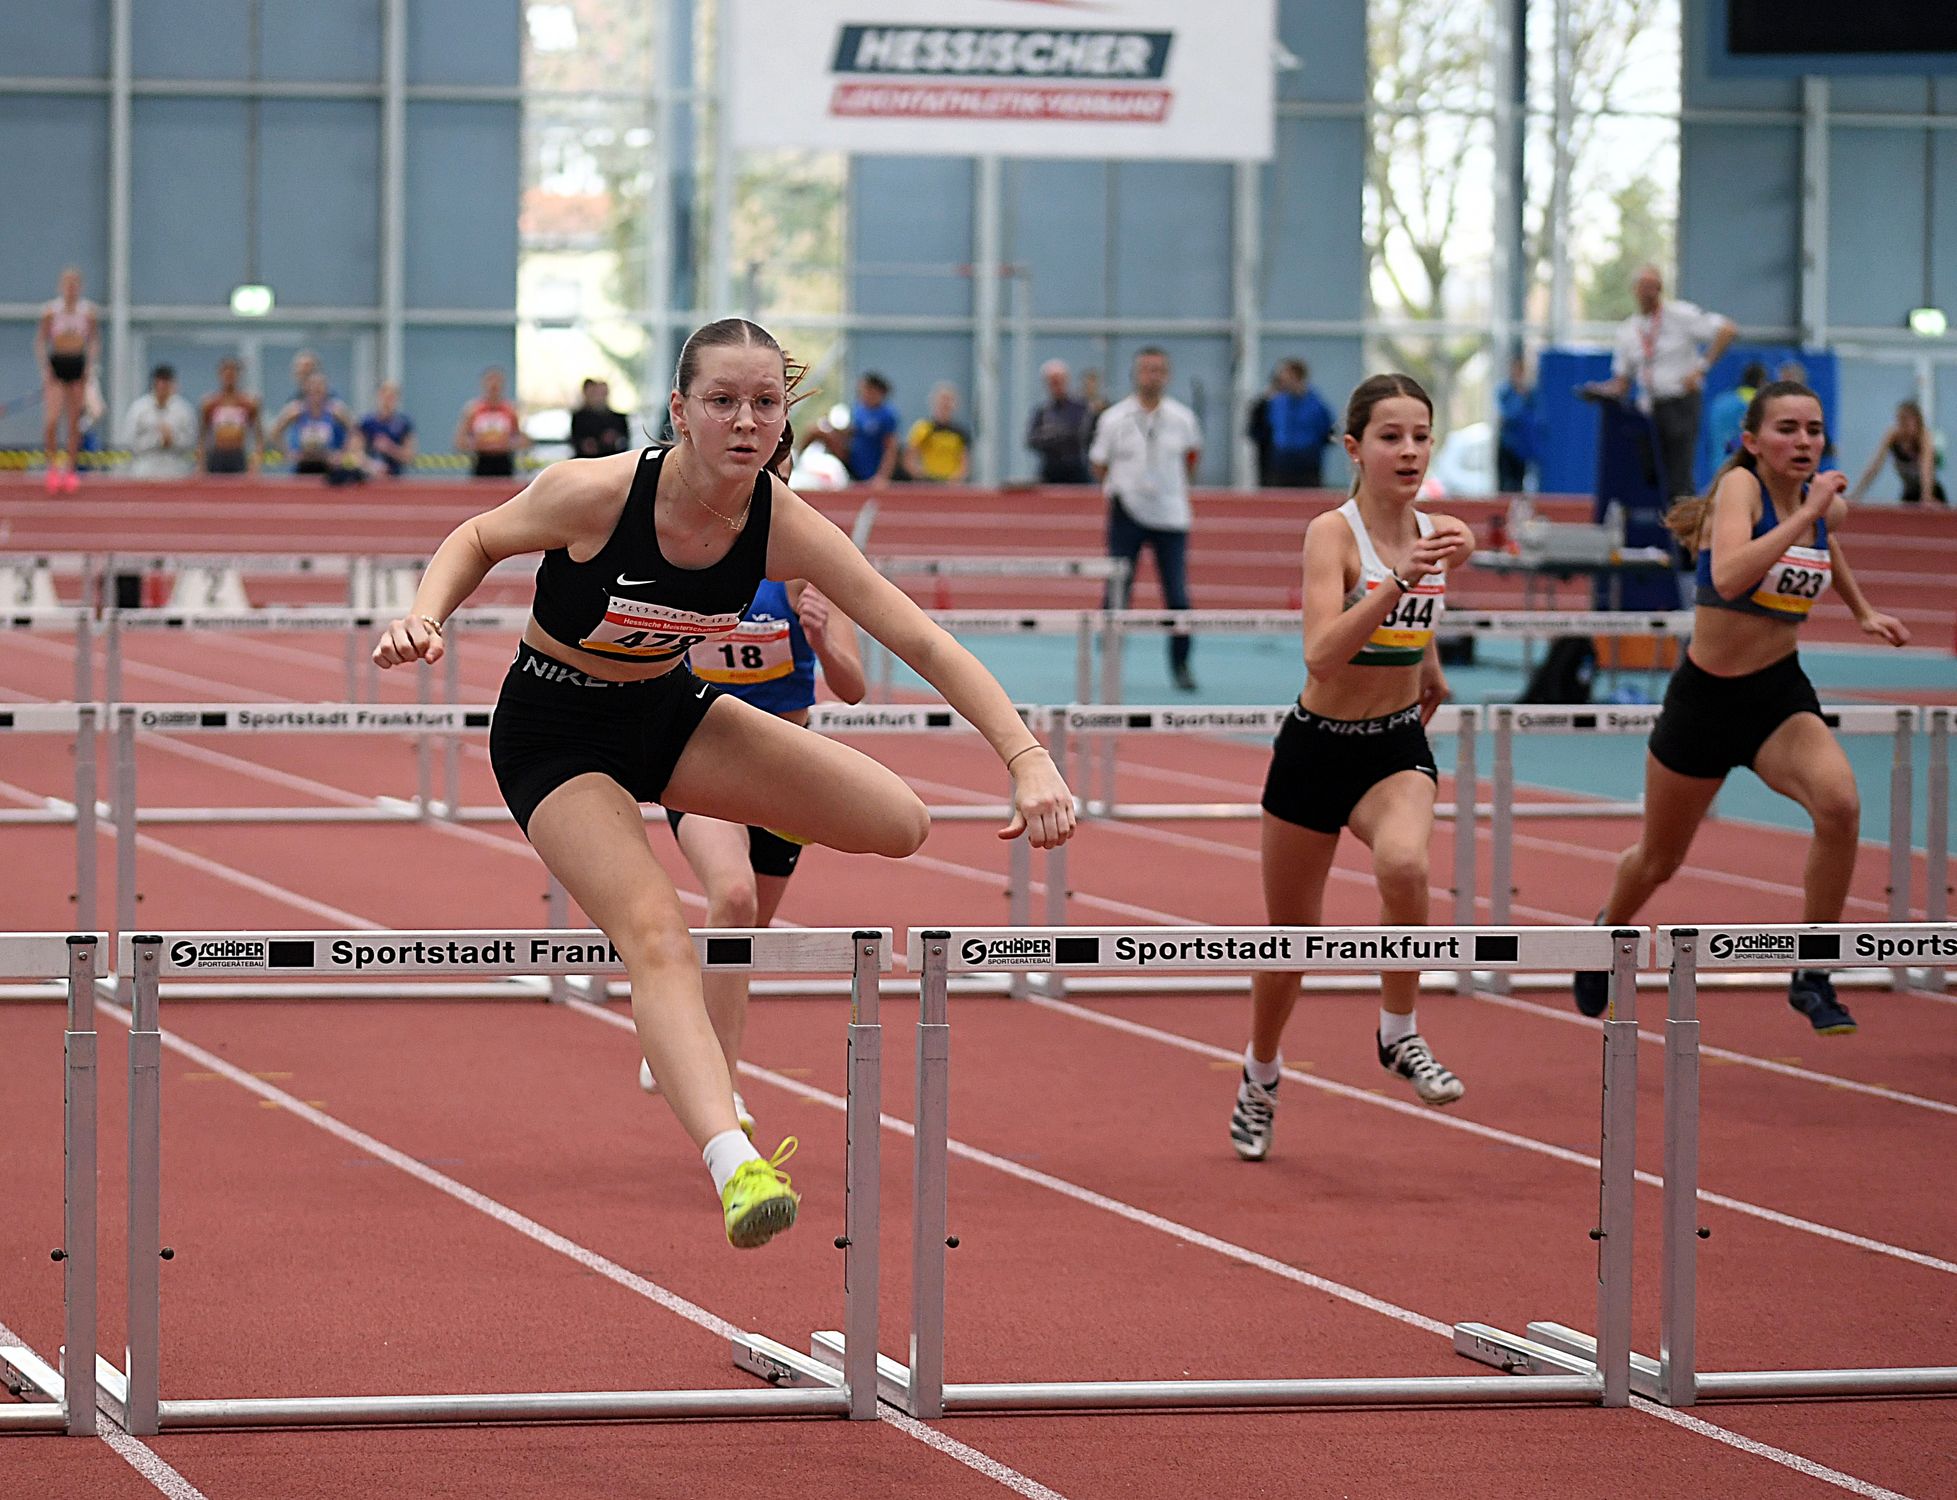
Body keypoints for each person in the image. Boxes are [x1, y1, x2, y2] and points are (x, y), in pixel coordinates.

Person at [370, 317, 1075, 1251]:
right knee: (657, 931)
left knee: (898, 821)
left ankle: (678, 1022)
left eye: (764, 403)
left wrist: (1026, 758)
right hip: (554, 732)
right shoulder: (597, 493)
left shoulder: (783, 522)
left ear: (785, 417)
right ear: (680, 410)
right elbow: (475, 536)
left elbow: (920, 639)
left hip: (669, 713)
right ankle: (734, 1159)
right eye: (722, 401)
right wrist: (425, 616)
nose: (745, 421)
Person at [1570, 381, 1910, 1034]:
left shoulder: (1816, 505)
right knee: (1659, 860)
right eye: (1787, 429)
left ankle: (1813, 970)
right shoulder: (1740, 491)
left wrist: (1862, 610)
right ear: (1753, 441)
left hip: (1776, 698)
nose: (1804, 441)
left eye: (1813, 430)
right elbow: (1728, 577)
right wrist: (1806, 513)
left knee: (1839, 805)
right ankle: (1606, 931)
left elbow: (1825, 541)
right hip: (1705, 701)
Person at [1228, 374, 1475, 1162]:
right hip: (1314, 749)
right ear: (1354, 449)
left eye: (1420, 437)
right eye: (1390, 437)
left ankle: (1398, 1032)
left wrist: (1428, 663)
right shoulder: (1330, 536)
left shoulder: (1443, 533)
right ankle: (1260, 1074)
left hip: (1393, 747)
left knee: (1405, 865)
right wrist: (1400, 580)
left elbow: (1420, 613)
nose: (1408, 451)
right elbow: (1321, 654)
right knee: (1289, 944)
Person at [639, 430, 869, 1133]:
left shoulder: (808, 560)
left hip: (785, 770)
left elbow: (852, 687)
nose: (767, 483)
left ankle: (679, 1023)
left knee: (740, 940)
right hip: (702, 761)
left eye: (780, 471)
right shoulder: (686, 552)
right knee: (732, 898)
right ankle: (725, 1094)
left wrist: (823, 637)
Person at [1089, 347, 1204, 691]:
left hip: (1171, 515)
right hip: (1126, 513)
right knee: (1117, 593)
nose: (1152, 376)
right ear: (1135, 373)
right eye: (1146, 369)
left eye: (1159, 370)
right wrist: (1123, 489)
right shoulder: (1114, 419)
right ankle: (1110, 662)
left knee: (1177, 595)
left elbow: (1192, 458)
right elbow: (1099, 463)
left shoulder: (1183, 418)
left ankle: (1181, 664)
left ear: (1167, 375)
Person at [1589, 265, 1736, 503]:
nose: (1649, 292)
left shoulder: (1681, 315)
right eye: (1644, 286)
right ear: (1634, 290)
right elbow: (1621, 382)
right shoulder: (1629, 330)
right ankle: (1652, 520)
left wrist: (1701, 367)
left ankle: (1681, 522)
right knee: (1648, 472)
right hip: (1647, 408)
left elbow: (1727, 330)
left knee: (1679, 474)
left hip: (1680, 403)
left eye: (1654, 286)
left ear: (1661, 289)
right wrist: (1600, 391)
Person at [35, 268, 99, 493]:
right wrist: (45, 368)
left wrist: (90, 366)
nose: (71, 289)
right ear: (61, 286)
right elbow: (41, 341)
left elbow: (93, 341)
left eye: (75, 284)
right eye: (67, 284)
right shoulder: (51, 311)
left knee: (74, 421)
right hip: (58, 364)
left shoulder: (87, 312)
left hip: (77, 364)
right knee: (52, 420)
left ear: (80, 287)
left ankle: (71, 469)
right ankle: (52, 468)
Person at [1247, 359, 1336, 488]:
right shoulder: (1275, 402)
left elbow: (1326, 430)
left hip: (1307, 461)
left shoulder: (1316, 404)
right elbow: (1260, 428)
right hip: (1280, 461)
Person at [1851, 399, 1945, 507]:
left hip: (1931, 492)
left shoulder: (1924, 437)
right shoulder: (1893, 436)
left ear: (1917, 423)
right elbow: (1874, 467)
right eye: (1900, 421)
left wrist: (1927, 497)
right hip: (1909, 491)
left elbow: (1926, 469)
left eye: (1906, 422)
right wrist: (1856, 494)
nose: (1903, 427)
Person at [122, 364, 200, 480]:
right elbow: (129, 440)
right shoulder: (139, 408)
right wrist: (157, 440)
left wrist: (173, 440)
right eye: (159, 383)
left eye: (166, 383)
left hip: (176, 471)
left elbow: (192, 441)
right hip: (145, 471)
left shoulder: (184, 409)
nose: (162, 387)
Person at [1026, 359, 1093, 484]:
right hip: (1050, 471)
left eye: (1059, 381)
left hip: (1076, 471)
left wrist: (1051, 433)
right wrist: (1060, 433)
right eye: (1052, 382)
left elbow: (1080, 435)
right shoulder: (1042, 411)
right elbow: (1032, 440)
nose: (1056, 385)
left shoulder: (1081, 408)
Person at [271, 372, 352, 474]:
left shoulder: (335, 410)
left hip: (328, 463)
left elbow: (354, 432)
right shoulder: (297, 410)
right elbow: (275, 432)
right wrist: (287, 452)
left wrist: (342, 453)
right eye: (313, 388)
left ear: (326, 389)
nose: (316, 391)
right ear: (306, 389)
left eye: (320, 388)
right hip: (303, 463)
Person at [455, 367, 527, 479]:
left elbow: (524, 440)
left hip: (504, 463)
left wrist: (504, 445)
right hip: (481, 462)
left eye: (497, 382)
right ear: (483, 384)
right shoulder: (473, 410)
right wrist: (482, 445)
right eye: (490, 381)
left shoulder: (511, 410)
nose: (493, 385)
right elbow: (459, 441)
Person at [199, 358, 262, 474]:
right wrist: (201, 465)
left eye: (233, 374)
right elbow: (203, 436)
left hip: (238, 454)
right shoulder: (210, 403)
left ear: (238, 375)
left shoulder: (248, 403)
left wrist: (255, 464)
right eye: (226, 374)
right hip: (217, 454)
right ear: (220, 375)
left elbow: (258, 435)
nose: (229, 377)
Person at [903, 382, 972, 483]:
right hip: (928, 483)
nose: (945, 404)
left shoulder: (961, 432)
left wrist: (955, 479)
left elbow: (965, 463)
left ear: (956, 404)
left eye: (949, 400)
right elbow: (909, 458)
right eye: (942, 399)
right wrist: (921, 475)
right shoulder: (923, 428)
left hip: (951, 484)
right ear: (933, 402)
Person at [845, 373, 900, 485]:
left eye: (866, 390)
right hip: (855, 465)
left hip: (873, 469)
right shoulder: (858, 410)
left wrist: (882, 476)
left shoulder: (887, 415)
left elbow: (890, 448)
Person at [1706, 361, 1766, 462]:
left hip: (1717, 462)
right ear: (1761, 382)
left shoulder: (1721, 400)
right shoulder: (1757, 403)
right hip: (1740, 463)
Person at [1495, 355, 1537, 493]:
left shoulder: (1530, 393)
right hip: (1507, 443)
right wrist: (1519, 397)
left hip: (1522, 445)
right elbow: (1506, 415)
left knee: (1519, 484)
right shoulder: (1504, 391)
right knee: (1505, 483)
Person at [357, 381, 417, 478]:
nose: (387, 401)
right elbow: (355, 452)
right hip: (369, 479)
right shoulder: (366, 423)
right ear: (378, 397)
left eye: (391, 397)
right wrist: (371, 465)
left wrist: (390, 448)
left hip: (395, 478)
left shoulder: (404, 424)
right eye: (384, 397)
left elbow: (410, 456)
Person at [570, 377, 631, 458]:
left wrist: (615, 440)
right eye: (595, 393)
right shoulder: (579, 418)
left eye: (601, 393)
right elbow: (575, 441)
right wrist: (585, 445)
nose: (598, 397)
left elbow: (624, 443)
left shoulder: (619, 419)